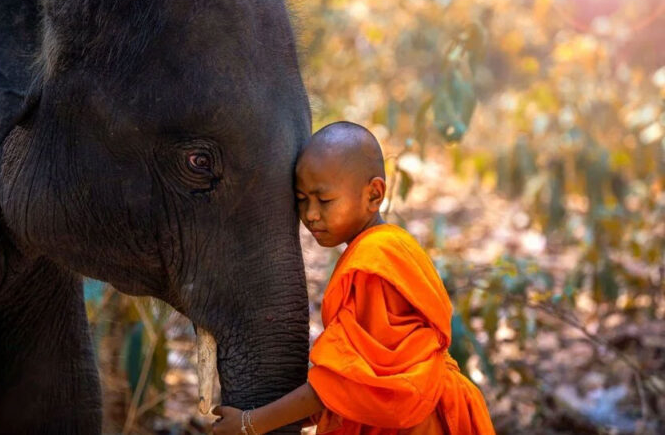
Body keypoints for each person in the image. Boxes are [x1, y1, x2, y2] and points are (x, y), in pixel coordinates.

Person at [211, 121, 494, 434]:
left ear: (374, 194)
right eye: (302, 199)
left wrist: (251, 423)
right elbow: (358, 381)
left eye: (324, 200)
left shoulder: (374, 262)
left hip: (416, 422)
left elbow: (339, 382)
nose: (311, 214)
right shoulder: (388, 245)